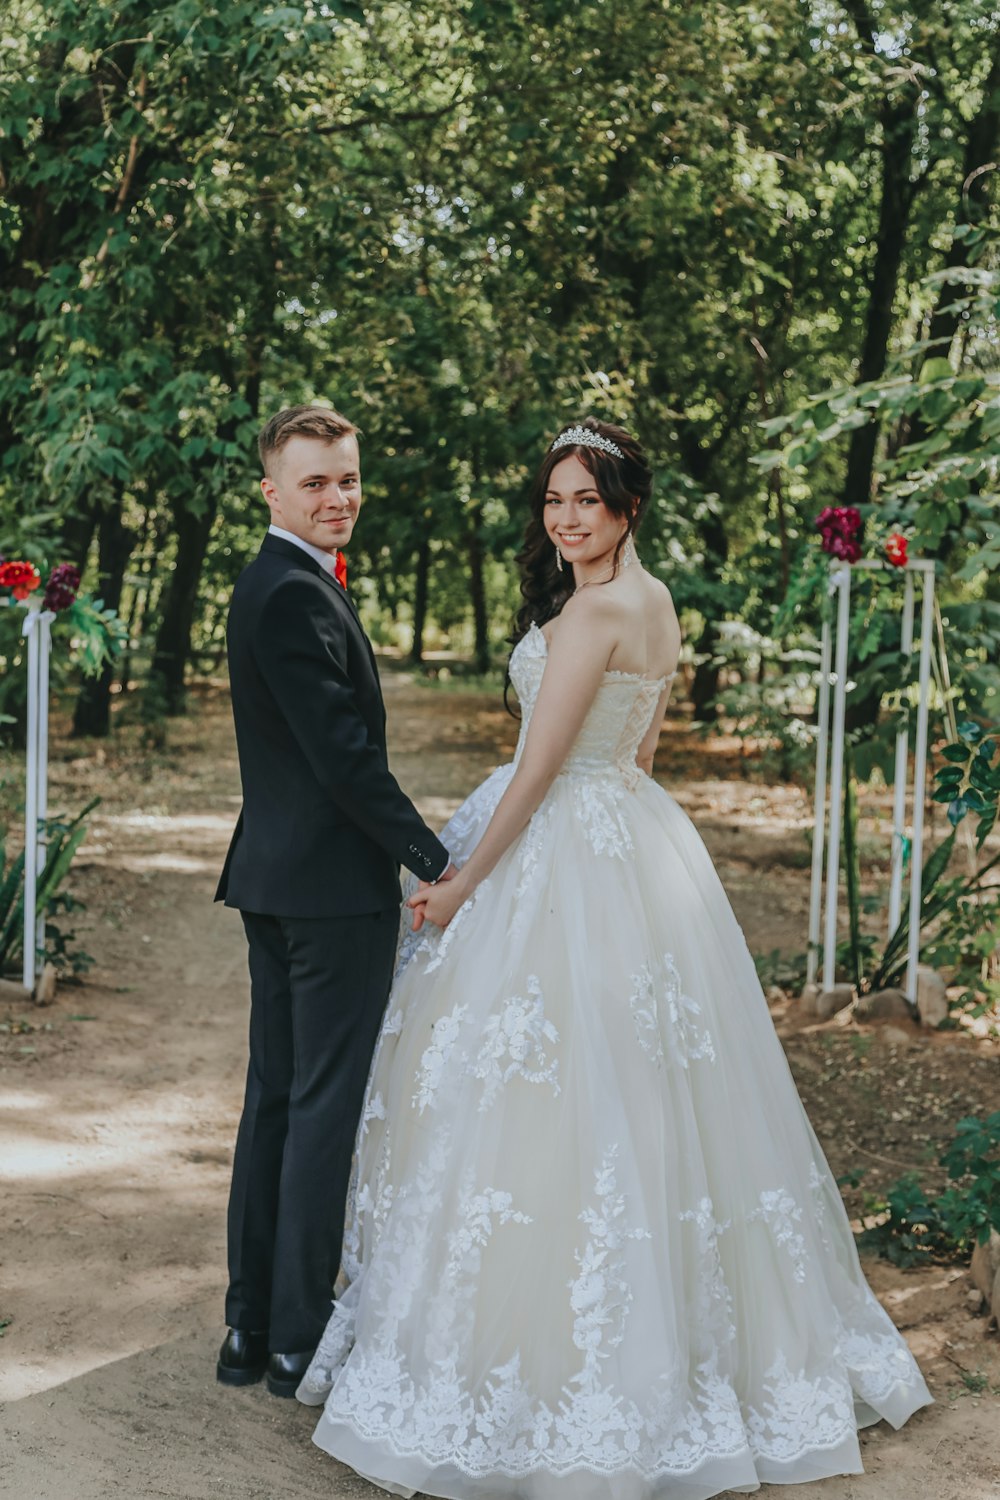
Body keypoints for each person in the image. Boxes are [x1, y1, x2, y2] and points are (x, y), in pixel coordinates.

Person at [297, 417, 931, 1497]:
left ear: (625, 506)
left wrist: (458, 887)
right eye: (553, 500)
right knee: (653, 1095)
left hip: (556, 847)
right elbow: (638, 751)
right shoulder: (656, 601)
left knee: (548, 1095)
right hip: (637, 839)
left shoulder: (591, 612)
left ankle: (543, 1372)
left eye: (585, 500)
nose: (564, 517)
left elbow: (540, 769)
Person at [214, 405, 453, 1398]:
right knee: (316, 1108)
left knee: (277, 1097)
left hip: (277, 880)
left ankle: (249, 1326)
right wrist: (433, 859)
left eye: (347, 479)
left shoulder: (283, 583)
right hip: (325, 893)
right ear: (271, 491)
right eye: (314, 482)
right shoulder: (289, 596)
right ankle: (293, 1340)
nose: (337, 497)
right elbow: (343, 760)